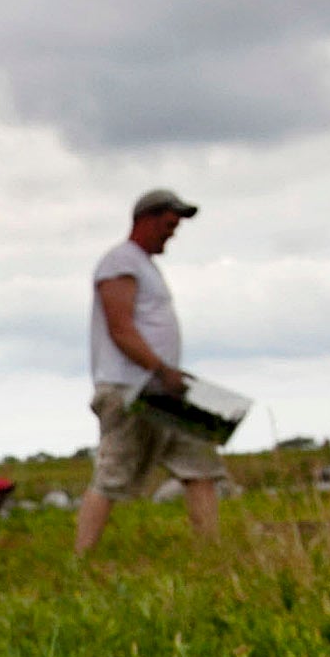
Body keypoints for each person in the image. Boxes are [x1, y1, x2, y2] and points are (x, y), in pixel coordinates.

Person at [75, 189, 228, 556]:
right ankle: (82, 557)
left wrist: (168, 375)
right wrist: (159, 368)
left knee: (200, 466)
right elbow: (120, 327)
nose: (172, 233)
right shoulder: (119, 263)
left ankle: (211, 552)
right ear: (146, 219)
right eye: (168, 225)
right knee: (113, 474)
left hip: (162, 387)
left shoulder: (143, 264)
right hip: (132, 388)